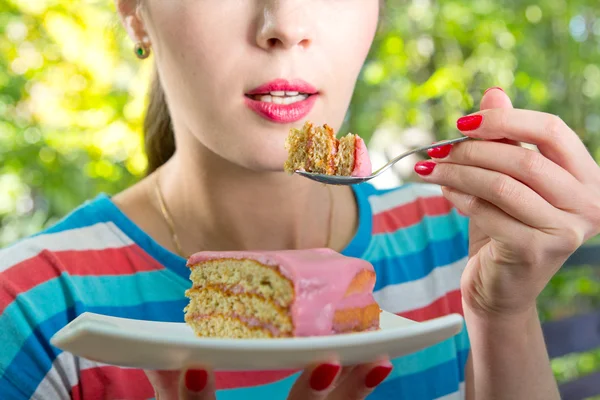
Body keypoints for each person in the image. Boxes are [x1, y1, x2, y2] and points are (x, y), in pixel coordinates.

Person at [1, 0, 599, 399]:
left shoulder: (458, 244)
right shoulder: (29, 309)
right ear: (135, 12)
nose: (284, 22)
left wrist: (503, 317)